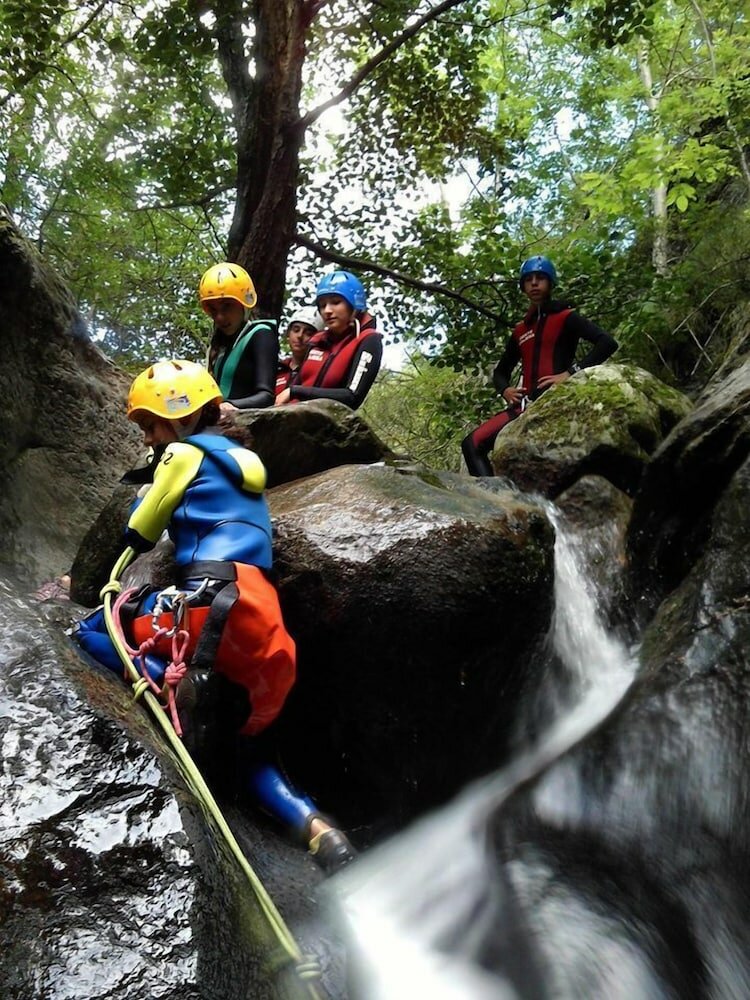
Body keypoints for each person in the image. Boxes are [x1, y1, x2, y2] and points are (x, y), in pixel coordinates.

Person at [73, 360, 355, 873]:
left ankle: (165, 683)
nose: (150, 436)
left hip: (208, 607)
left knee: (93, 630)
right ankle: (319, 830)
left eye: (152, 423)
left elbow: (142, 525)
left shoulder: (180, 453)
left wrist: (136, 523)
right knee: (248, 752)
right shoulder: (242, 462)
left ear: (181, 419)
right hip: (266, 626)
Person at [462, 255, 618, 477]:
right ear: (523, 287)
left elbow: (607, 343)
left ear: (550, 283)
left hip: (556, 400)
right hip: (524, 407)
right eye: (529, 279)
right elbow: (500, 373)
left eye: (540, 278)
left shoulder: (566, 317)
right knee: (471, 444)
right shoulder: (520, 330)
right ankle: (495, 503)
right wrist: (505, 390)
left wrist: (571, 372)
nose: (534, 283)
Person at [275, 270, 382, 410]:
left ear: (354, 305)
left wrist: (296, 391)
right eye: (322, 305)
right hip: (292, 418)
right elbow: (297, 382)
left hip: (326, 424)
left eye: (336, 302)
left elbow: (352, 396)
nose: (327, 310)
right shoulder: (317, 341)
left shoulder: (368, 340)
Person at [200, 262, 278, 411]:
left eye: (227, 306)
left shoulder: (261, 334)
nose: (220, 317)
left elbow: (266, 396)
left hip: (247, 426)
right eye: (213, 310)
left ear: (244, 303)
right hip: (219, 424)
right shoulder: (220, 345)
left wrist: (230, 406)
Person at [275, 306, 324, 397]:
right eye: (296, 330)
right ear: (288, 334)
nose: (300, 336)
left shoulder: (321, 369)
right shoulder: (277, 369)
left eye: (308, 333)